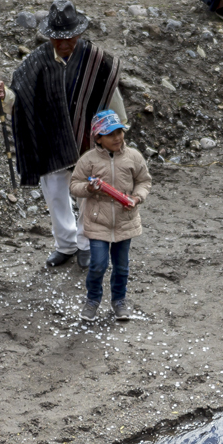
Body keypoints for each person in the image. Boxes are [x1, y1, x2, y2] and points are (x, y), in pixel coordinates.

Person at [0, 0, 125, 269]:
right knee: (54, 194)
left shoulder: (96, 61)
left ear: (79, 33)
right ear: (49, 35)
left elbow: (111, 97)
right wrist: (3, 95)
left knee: (89, 193)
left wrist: (118, 132)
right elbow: (21, 100)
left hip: (87, 138)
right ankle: (65, 244)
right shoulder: (35, 62)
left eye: (69, 37)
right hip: (50, 139)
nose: (63, 43)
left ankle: (86, 244)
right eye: (57, 37)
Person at [68, 109, 151, 323]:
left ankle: (119, 300)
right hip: (98, 222)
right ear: (98, 138)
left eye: (119, 132)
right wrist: (89, 188)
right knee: (98, 264)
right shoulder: (89, 160)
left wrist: (137, 198)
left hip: (125, 221)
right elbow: (74, 185)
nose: (117, 138)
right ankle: (92, 300)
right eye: (110, 134)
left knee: (122, 266)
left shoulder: (133, 157)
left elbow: (144, 181)